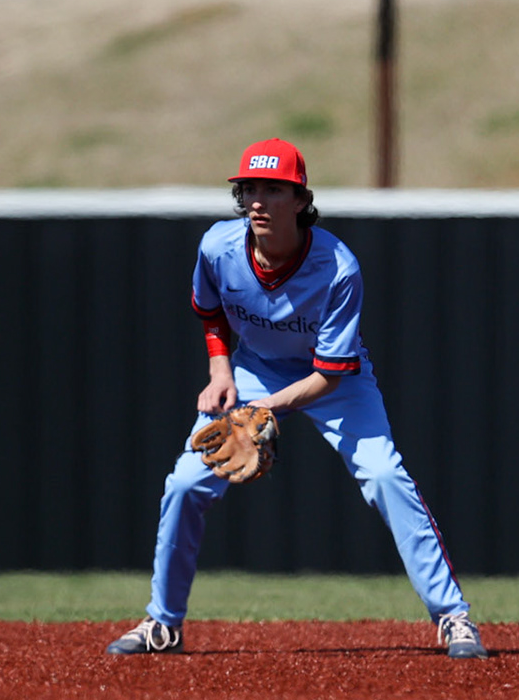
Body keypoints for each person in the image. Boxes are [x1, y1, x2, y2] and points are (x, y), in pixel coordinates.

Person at [107, 138, 488, 659]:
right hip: (255, 368)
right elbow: (210, 311)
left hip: (333, 379)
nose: (258, 200)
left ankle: (453, 617)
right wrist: (221, 370)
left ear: (301, 199)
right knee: (184, 484)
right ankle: (163, 623)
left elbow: (328, 377)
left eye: (273, 189)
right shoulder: (219, 247)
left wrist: (263, 412)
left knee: (383, 475)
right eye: (250, 189)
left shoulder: (337, 267)